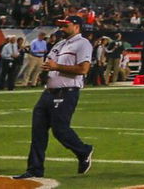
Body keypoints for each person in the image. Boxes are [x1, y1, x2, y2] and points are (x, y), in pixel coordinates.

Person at [13, 15, 95, 180]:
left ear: (77, 27)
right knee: (38, 132)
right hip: (48, 92)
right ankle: (35, 169)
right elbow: (50, 65)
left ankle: (83, 150)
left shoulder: (83, 44)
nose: (62, 29)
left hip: (67, 91)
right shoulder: (59, 44)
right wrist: (46, 69)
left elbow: (83, 69)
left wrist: (56, 66)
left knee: (60, 130)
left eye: (66, 26)